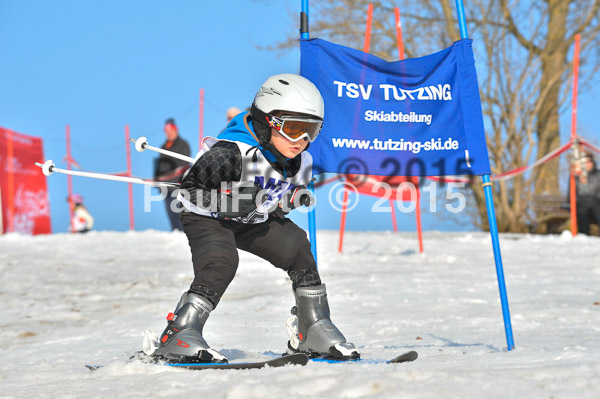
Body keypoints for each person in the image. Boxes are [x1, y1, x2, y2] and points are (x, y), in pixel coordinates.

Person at [145, 74, 359, 363]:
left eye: (311, 130)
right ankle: (180, 331)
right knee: (222, 262)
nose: (302, 140)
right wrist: (229, 202)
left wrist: (289, 199)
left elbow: (276, 199)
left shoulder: (300, 161)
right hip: (207, 218)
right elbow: (187, 194)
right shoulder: (230, 153)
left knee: (297, 245)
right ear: (267, 121)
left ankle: (313, 329)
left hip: (253, 219)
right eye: (294, 128)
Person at [154, 118, 191, 231]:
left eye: (170, 129)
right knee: (171, 217)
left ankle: (182, 236)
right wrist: (157, 182)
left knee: (179, 214)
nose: (168, 132)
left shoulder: (183, 145)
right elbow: (159, 167)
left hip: (178, 186)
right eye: (166, 130)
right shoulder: (163, 147)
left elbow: (183, 166)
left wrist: (173, 179)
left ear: (176, 130)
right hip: (165, 188)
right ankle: (175, 234)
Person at [571, 151, 600, 235]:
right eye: (584, 162)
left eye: (588, 161)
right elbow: (573, 192)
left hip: (595, 201)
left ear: (592, 162)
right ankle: (584, 236)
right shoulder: (576, 175)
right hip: (581, 202)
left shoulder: (598, 174)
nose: (587, 164)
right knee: (581, 213)